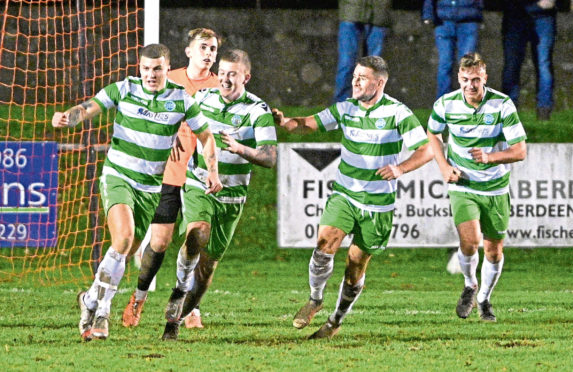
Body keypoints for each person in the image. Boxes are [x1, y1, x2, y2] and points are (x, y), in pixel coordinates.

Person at [52, 43, 222, 341]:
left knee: (126, 248)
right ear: (139, 68)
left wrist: (212, 170)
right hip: (118, 176)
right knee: (125, 238)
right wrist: (69, 117)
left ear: (168, 69)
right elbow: (89, 108)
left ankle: (89, 299)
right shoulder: (124, 89)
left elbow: (206, 137)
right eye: (145, 68)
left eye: (157, 68)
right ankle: (102, 312)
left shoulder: (180, 99)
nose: (150, 74)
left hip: (150, 188)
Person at [274, 56, 433, 339]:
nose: (355, 81)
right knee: (324, 242)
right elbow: (310, 123)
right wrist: (287, 121)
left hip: (378, 205)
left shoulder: (398, 113)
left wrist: (400, 168)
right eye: (354, 75)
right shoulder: (346, 108)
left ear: (379, 82)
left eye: (362, 77)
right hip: (345, 194)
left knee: (354, 266)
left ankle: (335, 321)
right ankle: (315, 298)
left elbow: (426, 149)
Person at [161, 49, 277, 340]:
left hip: (232, 195)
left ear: (246, 77)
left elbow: (269, 157)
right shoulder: (203, 97)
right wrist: (175, 130)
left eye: (232, 74)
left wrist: (241, 149)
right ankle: (179, 288)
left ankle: (183, 311)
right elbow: (178, 111)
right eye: (222, 72)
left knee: (208, 267)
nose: (224, 79)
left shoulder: (257, 110)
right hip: (199, 181)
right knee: (196, 232)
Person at [122, 28, 220, 331]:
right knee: (160, 243)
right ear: (188, 51)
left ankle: (190, 307)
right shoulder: (169, 78)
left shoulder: (220, 85)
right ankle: (138, 298)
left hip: (199, 178)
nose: (209, 54)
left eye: (213, 49)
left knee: (196, 240)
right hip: (168, 174)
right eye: (203, 47)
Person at [427, 52, 527, 322]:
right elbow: (433, 134)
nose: (470, 85)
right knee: (470, 242)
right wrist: (445, 167)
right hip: (464, 185)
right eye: (465, 79)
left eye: (475, 80)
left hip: (495, 187)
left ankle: (484, 298)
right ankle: (470, 285)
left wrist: (490, 157)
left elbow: (520, 151)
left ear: (485, 78)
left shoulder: (502, 105)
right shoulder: (446, 104)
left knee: (493, 249)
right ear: (459, 78)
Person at [501, 0, 557, 121]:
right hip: (515, 13)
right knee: (512, 65)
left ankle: (544, 110)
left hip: (541, 14)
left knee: (543, 65)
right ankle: (509, 110)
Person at [422, 0, 483, 99]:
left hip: (467, 19)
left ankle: (468, 102)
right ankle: (444, 104)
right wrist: (428, 13)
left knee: (467, 65)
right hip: (445, 20)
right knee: (445, 64)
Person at [333, 0, 392, 103]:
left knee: (374, 69)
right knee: (346, 65)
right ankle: (340, 109)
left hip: (378, 13)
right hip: (351, 11)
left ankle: (369, 109)